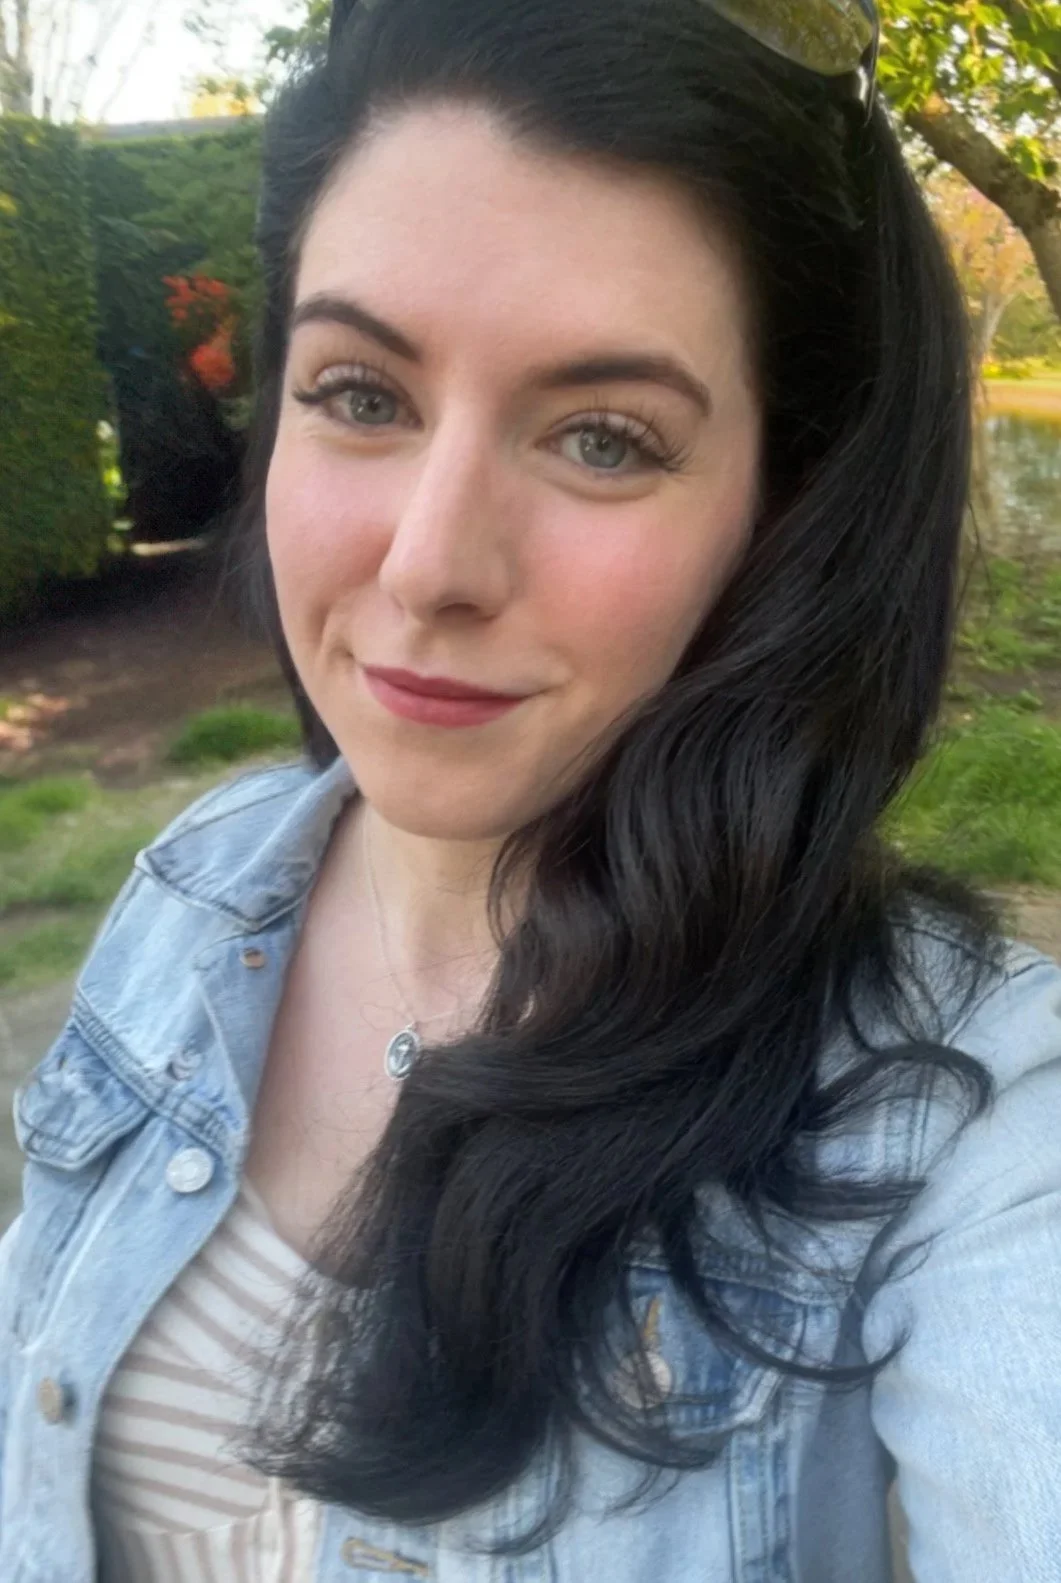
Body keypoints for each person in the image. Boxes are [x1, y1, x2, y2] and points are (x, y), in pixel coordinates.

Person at [2, 0, 1059, 1577]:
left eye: (605, 439)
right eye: (361, 393)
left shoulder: (965, 1128)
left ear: (788, 506)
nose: (429, 563)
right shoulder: (199, 879)